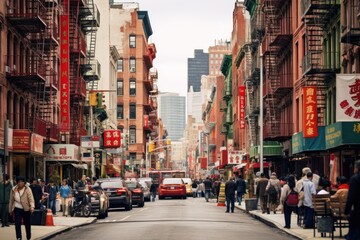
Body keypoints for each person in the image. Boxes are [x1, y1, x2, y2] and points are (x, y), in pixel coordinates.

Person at [9, 176, 35, 240]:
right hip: (17, 208)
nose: (20, 183)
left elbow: (31, 199)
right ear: (17, 182)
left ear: (24, 182)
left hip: (26, 209)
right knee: (17, 223)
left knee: (27, 224)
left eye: (22, 182)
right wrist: (10, 210)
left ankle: (28, 236)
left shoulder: (27, 189)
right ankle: (19, 237)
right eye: (19, 182)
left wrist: (32, 207)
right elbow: (11, 200)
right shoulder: (13, 189)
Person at [344, 160, 360, 240]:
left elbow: (351, 197)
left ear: (357, 168)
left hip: (357, 211)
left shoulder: (355, 179)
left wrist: (346, 211)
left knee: (354, 234)